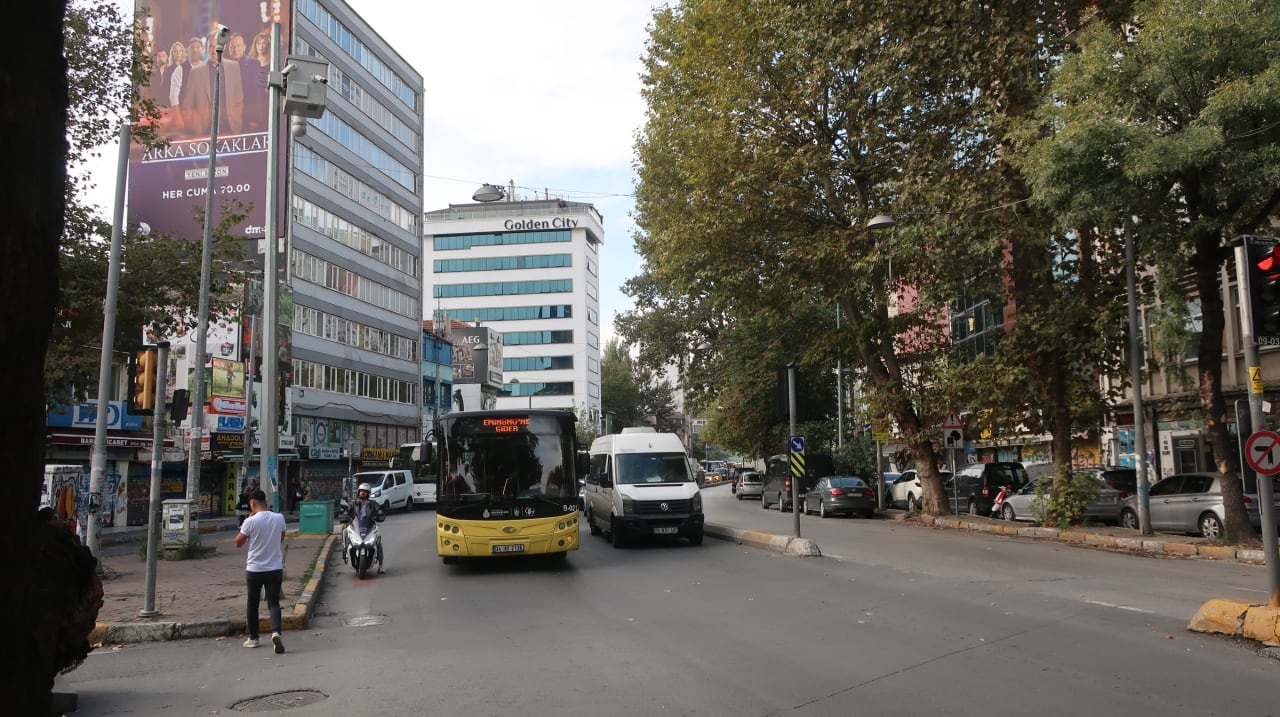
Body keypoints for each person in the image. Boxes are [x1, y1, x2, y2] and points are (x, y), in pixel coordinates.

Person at [235, 490, 286, 654]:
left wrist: (247, 525)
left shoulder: (250, 521)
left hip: (255, 569)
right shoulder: (279, 518)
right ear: (265, 502)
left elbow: (238, 543)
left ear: (252, 503)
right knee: (273, 602)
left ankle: (254, 638)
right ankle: (276, 632)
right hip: (275, 568)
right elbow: (281, 537)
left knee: (253, 603)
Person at [342, 483, 383, 573]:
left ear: (368, 493)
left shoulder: (373, 504)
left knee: (378, 539)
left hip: (369, 526)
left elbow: (379, 510)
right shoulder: (353, 503)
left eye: (365, 491)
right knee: (345, 531)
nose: (363, 493)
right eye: (361, 491)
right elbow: (347, 510)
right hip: (356, 525)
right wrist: (345, 515)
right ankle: (345, 549)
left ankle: (381, 566)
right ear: (358, 492)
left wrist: (380, 514)